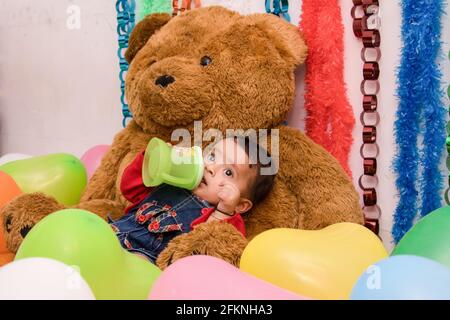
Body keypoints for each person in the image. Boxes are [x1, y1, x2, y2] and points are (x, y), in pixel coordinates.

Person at [109, 135, 275, 263]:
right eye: (212, 157)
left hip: (146, 259)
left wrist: (225, 209)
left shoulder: (224, 217)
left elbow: (212, 246)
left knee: (135, 264)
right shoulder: (173, 181)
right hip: (114, 233)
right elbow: (129, 188)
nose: (211, 168)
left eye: (228, 172)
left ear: (240, 204)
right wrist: (152, 161)